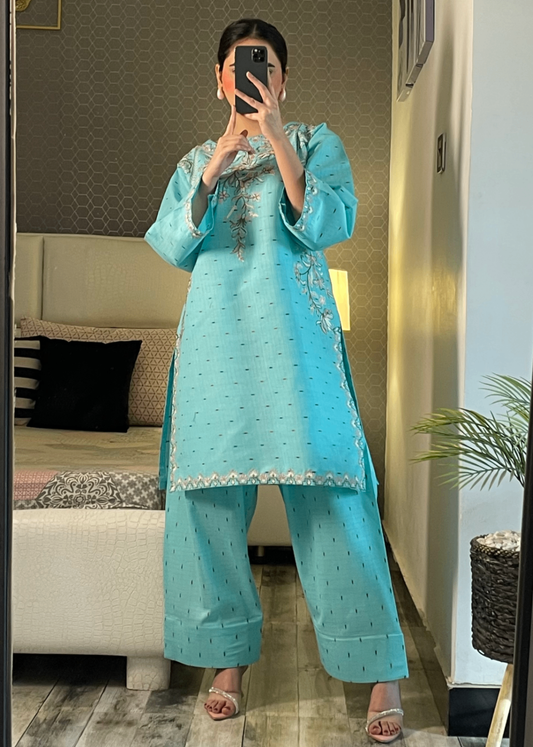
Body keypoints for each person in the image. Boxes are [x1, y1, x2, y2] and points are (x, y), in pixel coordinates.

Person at [144, 17, 409, 743]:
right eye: (236, 67)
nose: (250, 78)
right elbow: (173, 243)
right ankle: (226, 663)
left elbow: (328, 222)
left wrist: (275, 139)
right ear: (219, 81)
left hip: (296, 348)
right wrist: (218, 163)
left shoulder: (317, 143)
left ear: (282, 79)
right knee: (205, 506)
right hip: (214, 347)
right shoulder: (197, 159)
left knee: (334, 496)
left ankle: (380, 670)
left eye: (262, 67)